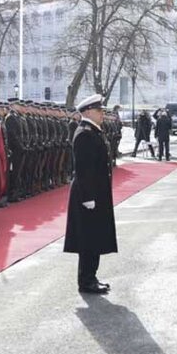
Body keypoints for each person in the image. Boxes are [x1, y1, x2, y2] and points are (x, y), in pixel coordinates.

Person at [64, 94, 117, 294]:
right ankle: (86, 281)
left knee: (94, 237)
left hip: (96, 193)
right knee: (88, 239)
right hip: (88, 195)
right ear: (87, 112)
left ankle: (91, 276)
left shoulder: (93, 131)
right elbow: (83, 169)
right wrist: (88, 197)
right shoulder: (85, 133)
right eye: (98, 110)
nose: (102, 114)